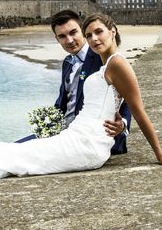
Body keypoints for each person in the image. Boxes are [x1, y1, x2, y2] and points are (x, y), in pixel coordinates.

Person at [0, 14, 162, 230]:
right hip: (75, 135)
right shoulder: (97, 62)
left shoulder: (117, 64)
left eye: (95, 32)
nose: (91, 38)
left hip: (87, 144)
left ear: (113, 31)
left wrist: (157, 152)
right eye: (89, 34)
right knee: (11, 152)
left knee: (9, 159)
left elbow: (137, 109)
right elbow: (76, 103)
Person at [16, 10, 131, 154]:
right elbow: (63, 102)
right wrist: (45, 123)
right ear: (57, 39)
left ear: (83, 31)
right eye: (62, 36)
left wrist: (123, 124)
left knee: (19, 153)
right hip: (62, 132)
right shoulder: (68, 62)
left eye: (73, 32)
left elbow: (127, 97)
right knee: (13, 148)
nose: (69, 40)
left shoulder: (101, 57)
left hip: (91, 138)